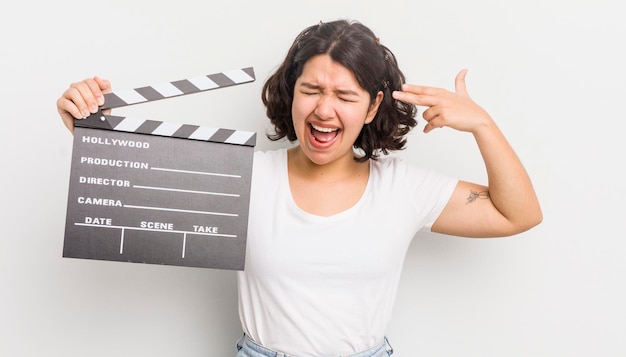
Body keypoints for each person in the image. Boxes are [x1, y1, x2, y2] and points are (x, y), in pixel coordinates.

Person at [56, 19, 542, 357]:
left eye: (345, 96)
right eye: (311, 90)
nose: (324, 110)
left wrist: (483, 125)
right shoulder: (244, 179)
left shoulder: (403, 190)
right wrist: (83, 120)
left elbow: (516, 214)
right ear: (291, 93)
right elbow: (131, 175)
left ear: (372, 108)